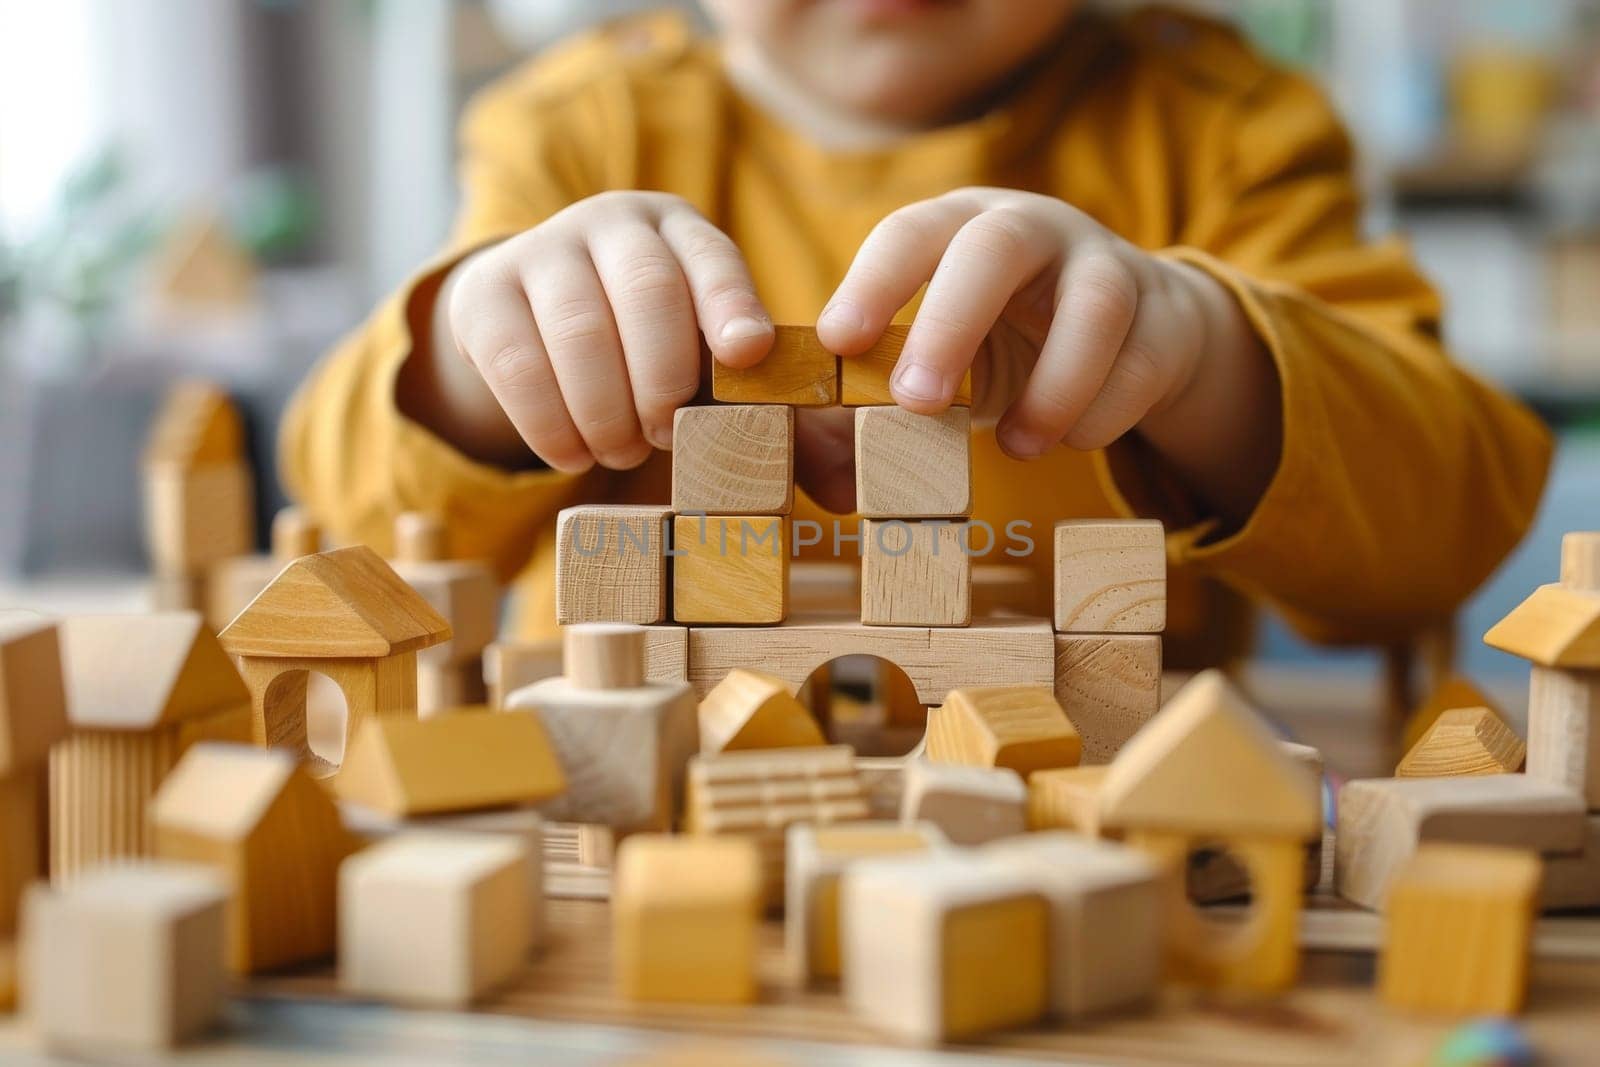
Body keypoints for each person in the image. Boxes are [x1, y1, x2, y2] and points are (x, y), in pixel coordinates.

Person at [282, 1, 1551, 665]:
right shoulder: (569, 130)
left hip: (1086, 847)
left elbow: (1442, 524)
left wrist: (1206, 349)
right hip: (628, 846)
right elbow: (345, 528)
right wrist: (467, 355)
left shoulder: (1225, 125)